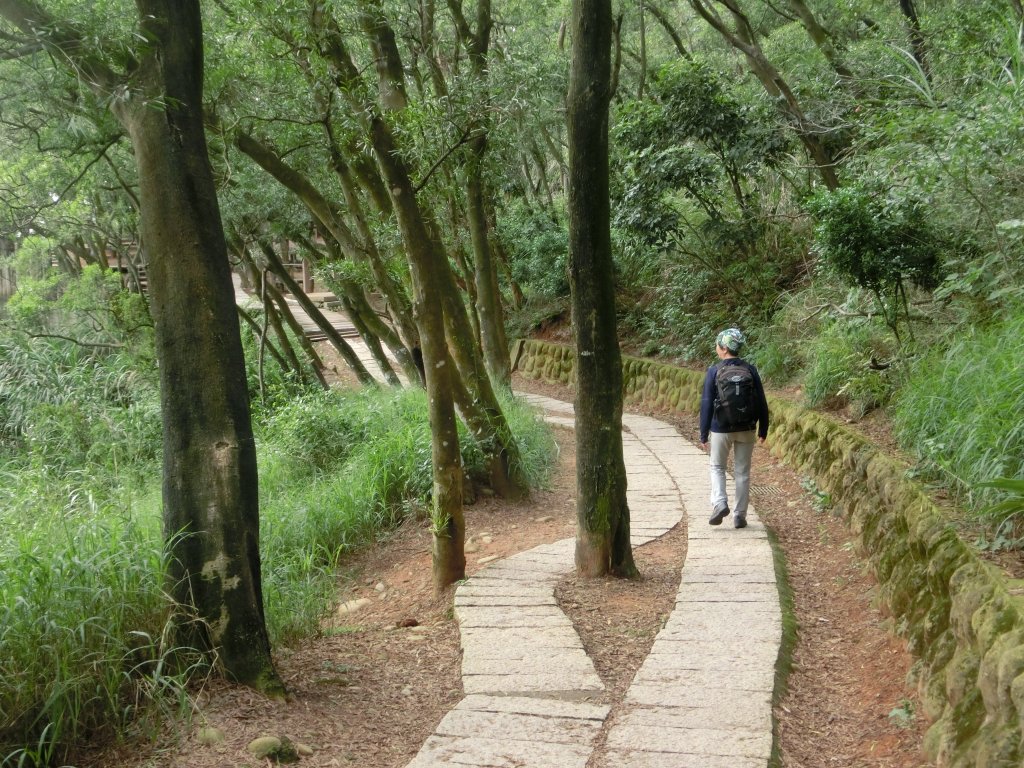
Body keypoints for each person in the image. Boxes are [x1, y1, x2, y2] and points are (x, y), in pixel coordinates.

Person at [698, 327, 769, 529]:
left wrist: (703, 432)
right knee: (742, 472)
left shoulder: (714, 371)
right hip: (747, 428)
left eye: (717, 345)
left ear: (723, 348)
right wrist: (763, 429)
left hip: (720, 428)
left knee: (718, 467)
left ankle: (720, 503)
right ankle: (740, 515)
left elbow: (706, 403)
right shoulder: (750, 370)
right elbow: (761, 401)